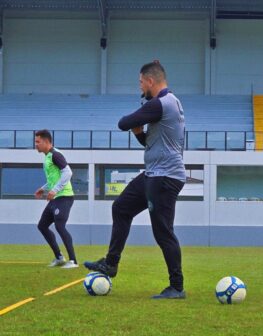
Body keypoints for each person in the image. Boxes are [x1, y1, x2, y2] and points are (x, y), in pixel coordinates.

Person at [84, 61, 187, 299]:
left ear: (150, 81)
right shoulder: (168, 104)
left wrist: (135, 122)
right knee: (121, 208)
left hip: (164, 177)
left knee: (163, 232)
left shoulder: (161, 104)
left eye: (141, 82)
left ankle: (177, 287)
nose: (140, 87)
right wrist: (140, 132)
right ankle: (111, 264)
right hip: (155, 173)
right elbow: (150, 142)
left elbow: (122, 123)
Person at [34, 129, 78, 269]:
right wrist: (44, 188)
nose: (36, 145)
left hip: (64, 197)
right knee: (42, 226)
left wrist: (54, 190)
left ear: (46, 142)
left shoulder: (55, 155)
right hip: (55, 198)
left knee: (60, 226)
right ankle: (59, 257)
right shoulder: (47, 157)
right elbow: (55, 177)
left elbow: (68, 173)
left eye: (37, 142)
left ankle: (73, 261)